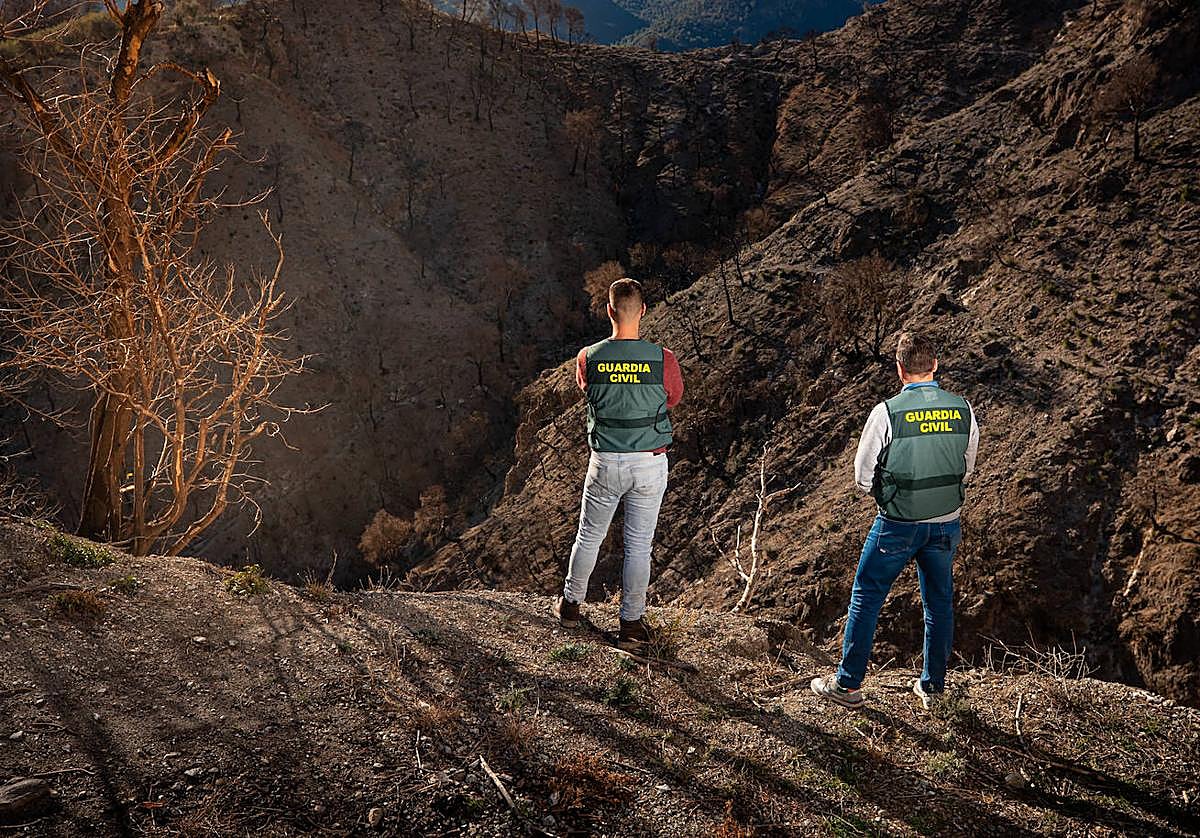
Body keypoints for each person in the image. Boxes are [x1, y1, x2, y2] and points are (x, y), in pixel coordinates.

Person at [812, 331, 979, 709]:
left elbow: (861, 476)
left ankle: (849, 685)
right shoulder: (963, 409)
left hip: (898, 523)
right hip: (946, 522)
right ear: (935, 366)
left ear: (900, 370)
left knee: (867, 598)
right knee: (939, 603)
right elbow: (966, 467)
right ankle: (933, 688)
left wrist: (891, 494)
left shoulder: (886, 412)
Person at [553, 278, 683, 651]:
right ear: (642, 311)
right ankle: (630, 625)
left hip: (605, 461)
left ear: (609, 310)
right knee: (639, 546)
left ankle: (571, 607)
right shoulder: (664, 359)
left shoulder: (587, 357)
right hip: (649, 463)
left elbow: (588, 390)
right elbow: (672, 398)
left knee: (588, 537)